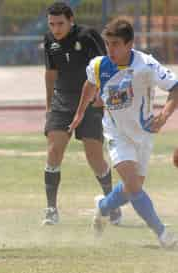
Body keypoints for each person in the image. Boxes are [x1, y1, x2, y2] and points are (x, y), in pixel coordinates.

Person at [69, 19, 178, 248]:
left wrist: (164, 115)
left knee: (130, 189)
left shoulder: (146, 65)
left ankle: (103, 207)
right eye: (107, 44)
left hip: (144, 134)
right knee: (134, 186)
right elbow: (89, 85)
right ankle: (163, 235)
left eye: (116, 44)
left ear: (130, 44)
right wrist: (80, 113)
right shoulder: (99, 65)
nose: (111, 50)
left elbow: (175, 88)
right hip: (116, 133)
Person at [41, 2, 120, 225]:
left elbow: (106, 65)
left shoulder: (87, 36)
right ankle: (51, 210)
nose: (55, 29)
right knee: (54, 150)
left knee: (94, 156)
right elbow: (50, 73)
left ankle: (111, 204)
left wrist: (102, 96)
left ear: (71, 20)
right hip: (62, 101)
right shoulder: (49, 41)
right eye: (52, 24)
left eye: (60, 24)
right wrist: (48, 106)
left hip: (90, 100)